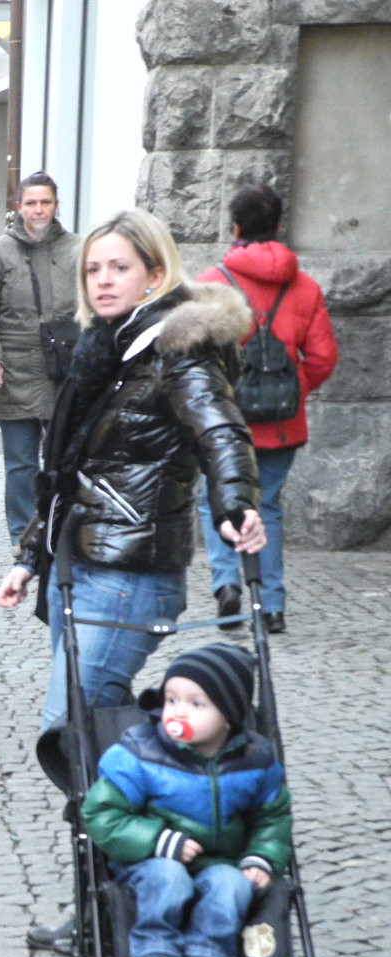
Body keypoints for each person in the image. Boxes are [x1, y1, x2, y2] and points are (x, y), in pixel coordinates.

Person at [0, 208, 265, 952]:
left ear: (155, 272)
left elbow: (220, 431)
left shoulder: (177, 351)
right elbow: (69, 474)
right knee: (93, 747)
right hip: (80, 571)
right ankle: (114, 905)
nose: (103, 280)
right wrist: (29, 558)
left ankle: (139, 889)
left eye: (119, 267)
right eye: (93, 269)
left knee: (77, 741)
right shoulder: (108, 352)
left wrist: (236, 504)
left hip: (128, 576)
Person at [82, 644, 291, 957]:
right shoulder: (139, 754)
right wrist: (158, 841)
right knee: (168, 877)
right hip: (148, 861)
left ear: (229, 717)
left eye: (196, 704)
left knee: (231, 885)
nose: (178, 711)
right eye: (171, 699)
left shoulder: (256, 760)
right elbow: (101, 813)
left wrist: (262, 857)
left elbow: (271, 817)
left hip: (221, 863)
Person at [195, 184, 338, 635]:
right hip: (281, 424)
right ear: (278, 225)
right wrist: (291, 389)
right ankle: (272, 605)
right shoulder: (305, 286)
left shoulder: (212, 282)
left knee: (215, 501)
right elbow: (323, 358)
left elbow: (194, 358)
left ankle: (227, 585)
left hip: (225, 423)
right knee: (268, 507)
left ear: (235, 228)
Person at [0, 171, 82, 549]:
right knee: (21, 464)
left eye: (45, 202)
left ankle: (61, 529)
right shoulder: (0, 251)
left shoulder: (77, 249)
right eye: (31, 203)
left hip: (64, 370)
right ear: (19, 207)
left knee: (65, 459)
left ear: (56, 205)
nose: (38, 210)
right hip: (14, 371)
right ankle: (24, 536)